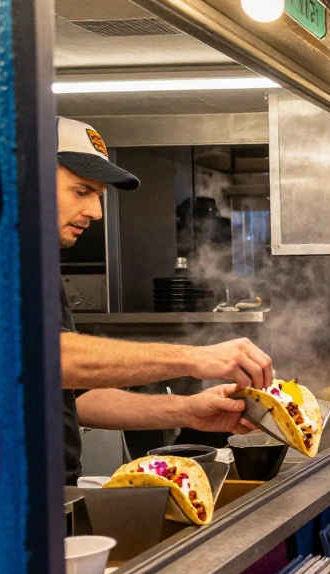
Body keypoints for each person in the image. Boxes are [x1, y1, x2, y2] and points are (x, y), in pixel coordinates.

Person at [56, 117, 267, 484]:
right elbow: (52, 360)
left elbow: (75, 398)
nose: (96, 212)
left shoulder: (36, 270)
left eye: (99, 196)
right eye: (80, 191)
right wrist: (195, 357)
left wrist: (186, 410)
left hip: (54, 490)